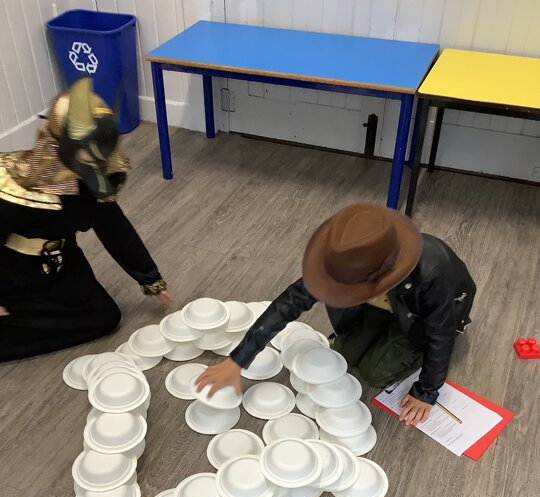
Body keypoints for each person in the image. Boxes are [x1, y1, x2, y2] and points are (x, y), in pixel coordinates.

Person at [196, 203, 476, 427]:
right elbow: (289, 303)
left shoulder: (430, 274)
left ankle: (401, 345)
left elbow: (440, 333)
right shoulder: (345, 260)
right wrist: (238, 360)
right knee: (345, 354)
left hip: (421, 317)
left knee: (375, 373)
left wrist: (426, 392)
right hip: (387, 304)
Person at [0, 77, 171, 362]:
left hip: (65, 268)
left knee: (106, 317)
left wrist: (151, 279)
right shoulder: (11, 189)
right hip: (14, 276)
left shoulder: (89, 185)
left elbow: (116, 231)